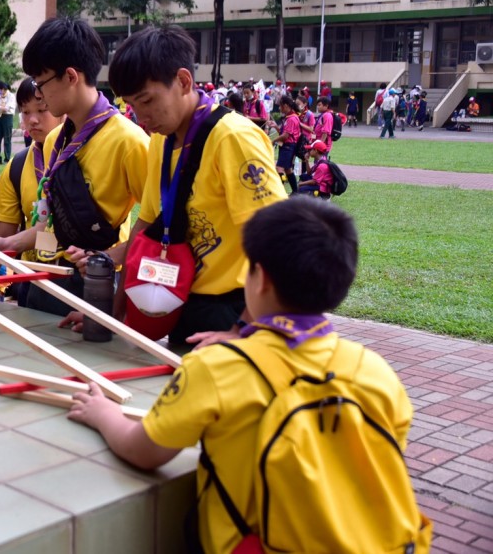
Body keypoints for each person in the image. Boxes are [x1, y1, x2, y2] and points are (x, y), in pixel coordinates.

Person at [68, 196, 422, 554]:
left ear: (259, 278)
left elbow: (144, 451)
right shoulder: (376, 371)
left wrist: (103, 414)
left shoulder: (218, 366)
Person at [63, 25, 283, 346]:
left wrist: (242, 331)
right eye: (131, 105)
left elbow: (276, 242)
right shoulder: (161, 142)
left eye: (147, 101)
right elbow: (145, 227)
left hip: (234, 308)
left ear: (183, 81)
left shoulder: (233, 137)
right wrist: (113, 313)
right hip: (185, 301)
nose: (140, 117)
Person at [0, 17, 149, 316]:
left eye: (41, 82)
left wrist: (107, 258)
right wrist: (7, 243)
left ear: (71, 76)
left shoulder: (130, 142)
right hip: (44, 281)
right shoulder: (53, 141)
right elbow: (49, 224)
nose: (38, 93)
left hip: (94, 287)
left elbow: (156, 225)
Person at [0, 78, 63, 303]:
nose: (32, 120)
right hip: (31, 276)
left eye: (42, 110)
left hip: (78, 275)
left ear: (62, 109)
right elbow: (4, 230)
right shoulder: (17, 166)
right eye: (25, 112)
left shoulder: (82, 158)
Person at [273, 95, 302, 195]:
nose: (280, 108)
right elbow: (284, 133)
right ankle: (295, 191)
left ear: (285, 106)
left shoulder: (292, 119)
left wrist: (273, 141)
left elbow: (285, 136)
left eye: (280, 106)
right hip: (286, 146)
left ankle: (279, 193)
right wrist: (276, 127)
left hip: (288, 146)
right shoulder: (288, 117)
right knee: (288, 169)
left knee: (279, 169)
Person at [0, 81, 16, 164]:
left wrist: (0, 107)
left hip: (8, 118)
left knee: (7, 139)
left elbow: (7, 108)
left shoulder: (11, 96)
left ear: (4, 89)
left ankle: (7, 159)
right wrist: (0, 107)